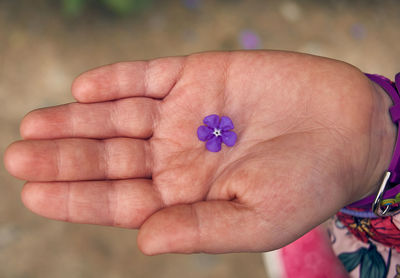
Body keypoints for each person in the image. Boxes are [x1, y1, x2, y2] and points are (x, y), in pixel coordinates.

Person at [3, 50, 398, 277]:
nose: (215, 136)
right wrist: (380, 135)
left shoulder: (219, 135)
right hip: (373, 211)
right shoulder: (218, 134)